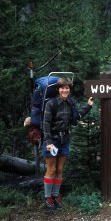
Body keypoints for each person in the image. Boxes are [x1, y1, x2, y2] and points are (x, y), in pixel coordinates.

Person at [42, 77, 94, 209]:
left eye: (67, 88)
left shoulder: (70, 103)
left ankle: (56, 195)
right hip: (52, 140)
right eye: (62, 88)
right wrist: (48, 142)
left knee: (59, 169)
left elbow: (76, 118)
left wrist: (88, 106)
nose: (65, 90)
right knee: (51, 169)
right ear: (58, 89)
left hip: (64, 139)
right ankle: (48, 198)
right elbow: (46, 123)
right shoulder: (51, 104)